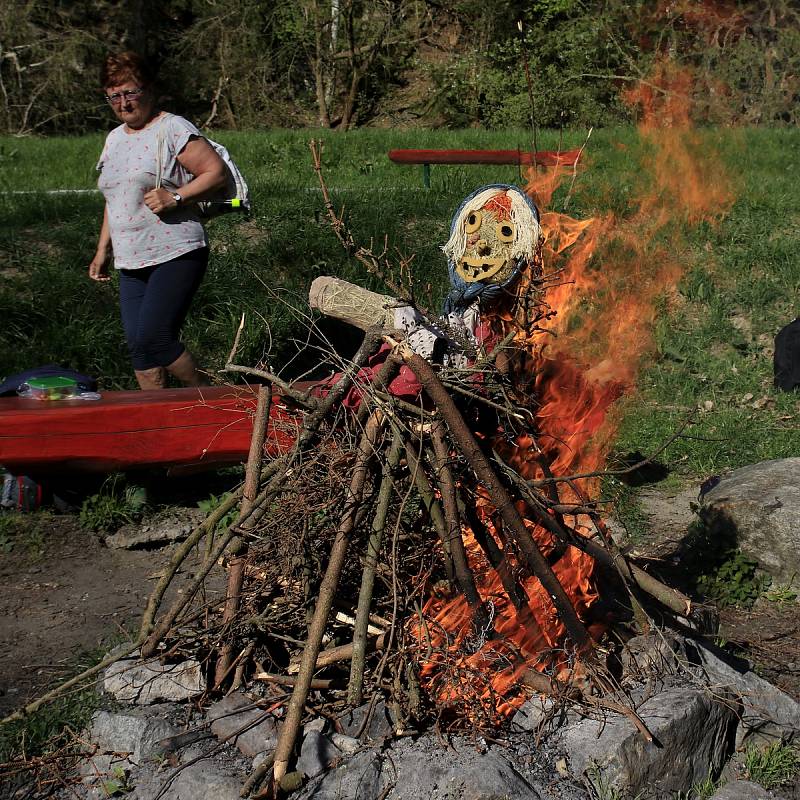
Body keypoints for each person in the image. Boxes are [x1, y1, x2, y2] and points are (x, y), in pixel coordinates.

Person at [88, 51, 227, 389]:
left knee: (156, 338)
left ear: (149, 90)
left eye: (131, 92)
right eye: (115, 95)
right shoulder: (114, 138)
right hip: (131, 258)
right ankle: (160, 426)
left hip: (176, 250)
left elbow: (215, 172)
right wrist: (102, 249)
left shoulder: (172, 128)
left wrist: (175, 196)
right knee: (140, 349)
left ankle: (221, 403)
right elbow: (116, 197)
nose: (124, 103)